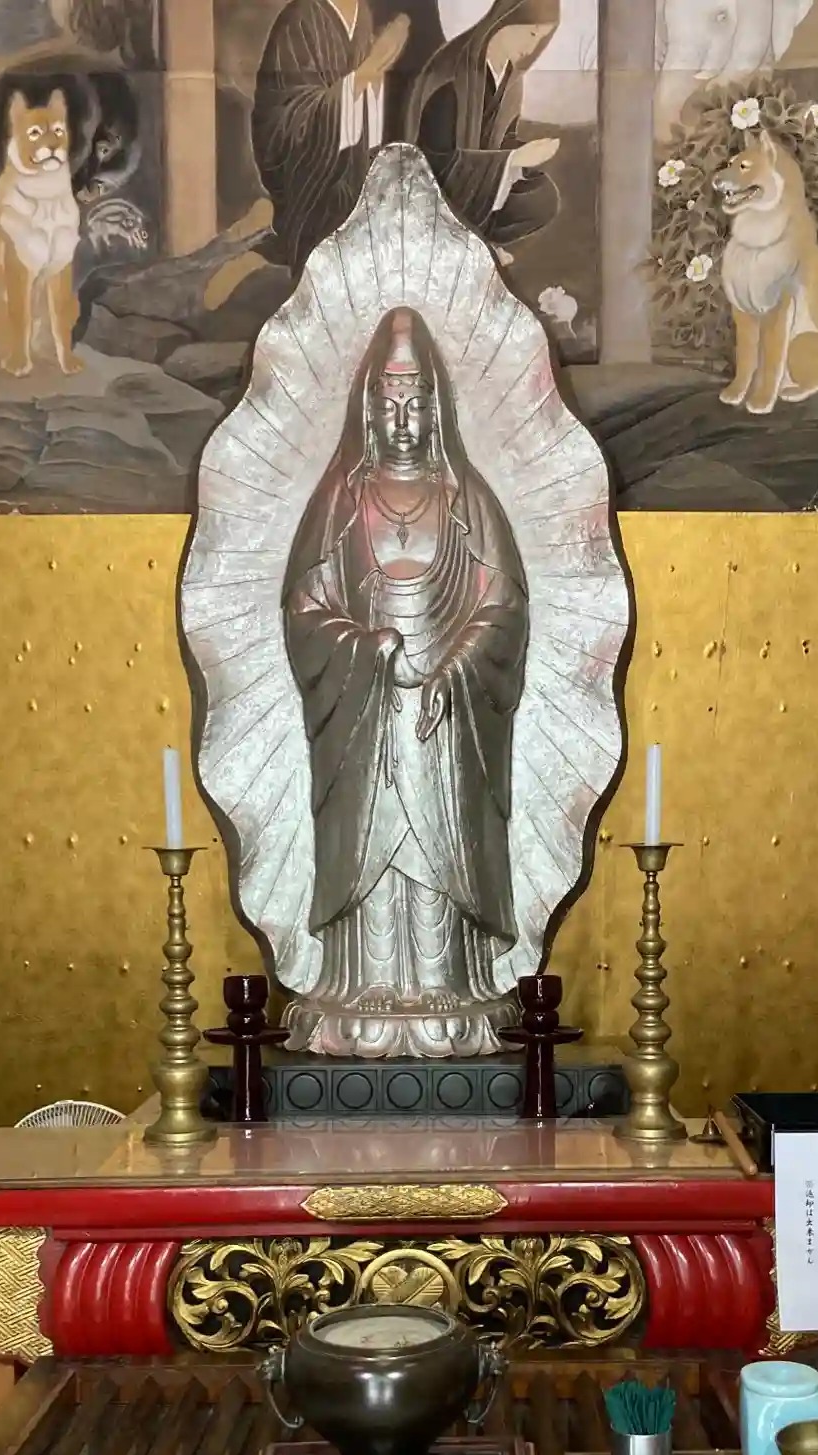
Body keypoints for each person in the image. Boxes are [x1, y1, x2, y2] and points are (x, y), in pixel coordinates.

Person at [282, 306, 529, 1057]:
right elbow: (303, 609)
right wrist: (366, 649)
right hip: (365, 713)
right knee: (371, 839)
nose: (401, 421)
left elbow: (503, 607)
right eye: (388, 404)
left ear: (437, 408)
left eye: (415, 403)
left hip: (447, 719)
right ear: (366, 409)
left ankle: (449, 980)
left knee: (439, 842)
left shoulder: (467, 502)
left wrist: (455, 666)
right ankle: (362, 983)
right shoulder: (339, 503)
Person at [205, 0, 410, 310]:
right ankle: (264, 255)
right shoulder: (299, 20)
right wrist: (366, 72)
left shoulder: (363, 17)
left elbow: (366, 108)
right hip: (305, 175)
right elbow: (288, 121)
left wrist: (374, 75)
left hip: (351, 170)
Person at [403, 0, 561, 259]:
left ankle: (478, 239)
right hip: (439, 190)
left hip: (482, 184)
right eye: (531, 33)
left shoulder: (510, 78)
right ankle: (466, 244)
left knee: (543, 198)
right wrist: (511, 160)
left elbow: (503, 139)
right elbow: (437, 160)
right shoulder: (452, 73)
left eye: (541, 38)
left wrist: (525, 153)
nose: (533, 47)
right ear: (507, 18)